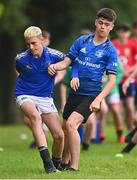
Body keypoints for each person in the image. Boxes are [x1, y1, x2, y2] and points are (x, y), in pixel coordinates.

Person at [48, 8, 118, 171]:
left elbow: (112, 81)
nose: (102, 27)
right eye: (100, 23)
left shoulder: (111, 51)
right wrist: (54, 66)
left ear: (111, 27)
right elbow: (67, 62)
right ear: (95, 22)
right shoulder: (82, 41)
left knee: (72, 125)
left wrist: (98, 99)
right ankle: (64, 163)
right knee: (66, 128)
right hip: (75, 93)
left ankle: (74, 167)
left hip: (91, 94)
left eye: (106, 24)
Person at [15, 26, 65, 173]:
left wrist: (60, 68)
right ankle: (48, 164)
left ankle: (56, 164)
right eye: (27, 44)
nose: (31, 47)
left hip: (45, 97)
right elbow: (19, 70)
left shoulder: (54, 55)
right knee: (35, 117)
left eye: (34, 43)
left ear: (42, 40)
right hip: (24, 94)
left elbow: (71, 61)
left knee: (59, 136)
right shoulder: (20, 58)